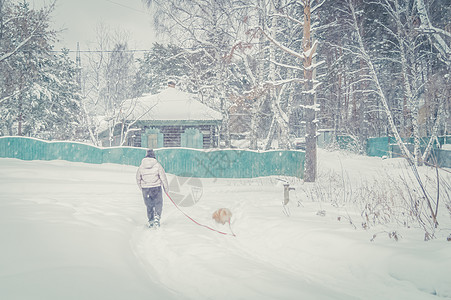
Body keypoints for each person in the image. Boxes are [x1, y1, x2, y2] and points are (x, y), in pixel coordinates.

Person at [136, 149, 169, 228]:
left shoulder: (141, 166)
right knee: (158, 203)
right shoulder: (157, 165)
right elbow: (163, 177)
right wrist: (166, 189)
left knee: (149, 205)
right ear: (154, 156)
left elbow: (138, 179)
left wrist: (142, 187)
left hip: (145, 189)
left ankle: (151, 221)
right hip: (156, 188)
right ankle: (157, 217)